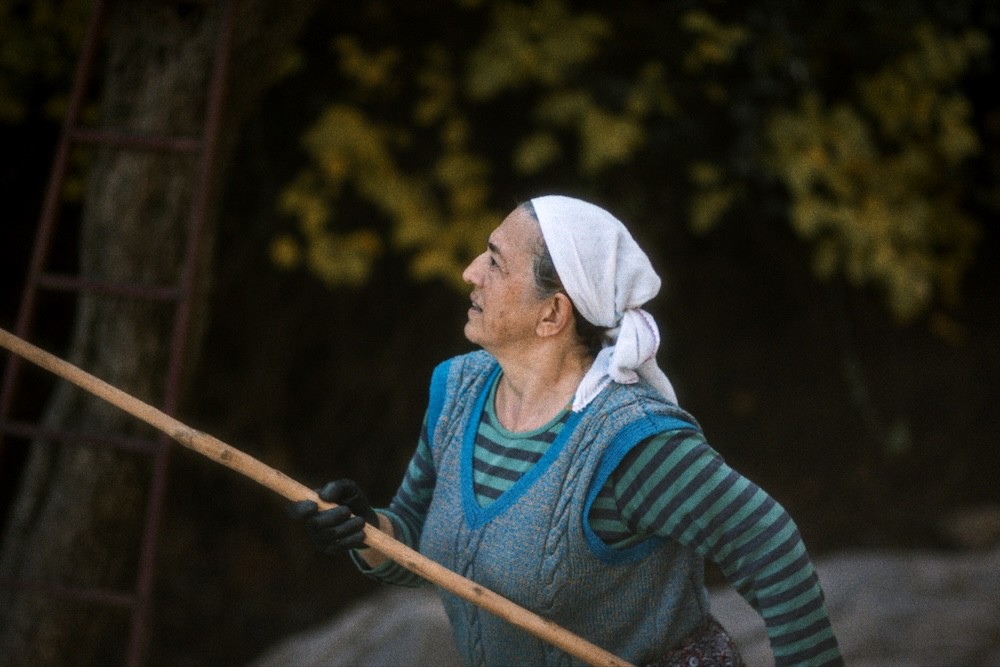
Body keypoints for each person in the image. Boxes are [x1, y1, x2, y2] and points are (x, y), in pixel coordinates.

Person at [290, 195, 843, 667]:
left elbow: (768, 545)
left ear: (552, 314)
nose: (470, 271)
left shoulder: (631, 443)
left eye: (496, 263)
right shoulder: (456, 392)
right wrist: (365, 530)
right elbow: (420, 545)